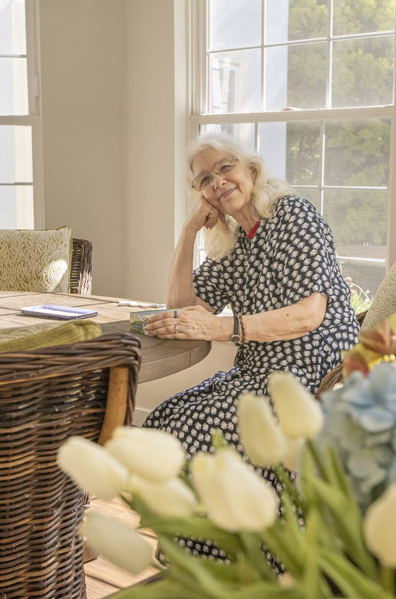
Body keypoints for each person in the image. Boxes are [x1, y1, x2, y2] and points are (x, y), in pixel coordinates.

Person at [143, 133, 359, 453]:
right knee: (158, 423)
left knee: (173, 441)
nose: (217, 181)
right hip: (256, 377)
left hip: (308, 377)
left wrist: (220, 327)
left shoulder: (292, 214)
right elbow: (180, 307)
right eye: (204, 179)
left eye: (224, 167)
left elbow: (309, 314)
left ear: (252, 172)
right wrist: (189, 231)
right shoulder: (237, 243)